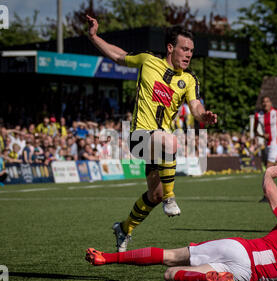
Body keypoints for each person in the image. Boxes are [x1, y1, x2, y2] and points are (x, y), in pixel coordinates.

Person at [86, 15, 217, 252]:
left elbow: (195, 105)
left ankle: (124, 228)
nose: (189, 54)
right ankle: (171, 196)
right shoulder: (148, 61)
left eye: (191, 51)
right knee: (170, 140)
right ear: (170, 48)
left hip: (160, 146)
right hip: (139, 136)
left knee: (153, 195)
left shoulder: (188, 79)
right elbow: (118, 55)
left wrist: (202, 116)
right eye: (184, 49)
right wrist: (94, 36)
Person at [86, 165, 277, 281]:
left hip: (241, 250)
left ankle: (107, 258)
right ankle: (207, 278)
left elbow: (270, 192)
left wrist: (269, 174)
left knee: (169, 258)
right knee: (171, 275)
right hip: (245, 275)